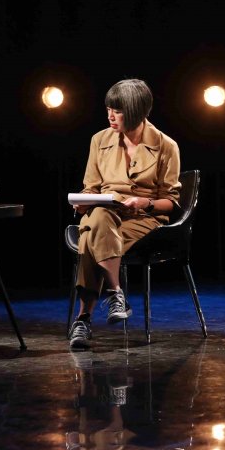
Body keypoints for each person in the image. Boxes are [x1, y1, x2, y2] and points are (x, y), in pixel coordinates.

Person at [69, 79, 181, 350]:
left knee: (89, 236)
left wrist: (145, 203)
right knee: (98, 217)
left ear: (135, 112)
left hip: (143, 219)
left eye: (117, 111)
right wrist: (83, 202)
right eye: (108, 109)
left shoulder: (166, 146)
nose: (110, 116)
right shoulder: (99, 140)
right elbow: (91, 187)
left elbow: (171, 203)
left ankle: (83, 320)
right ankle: (116, 293)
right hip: (105, 212)